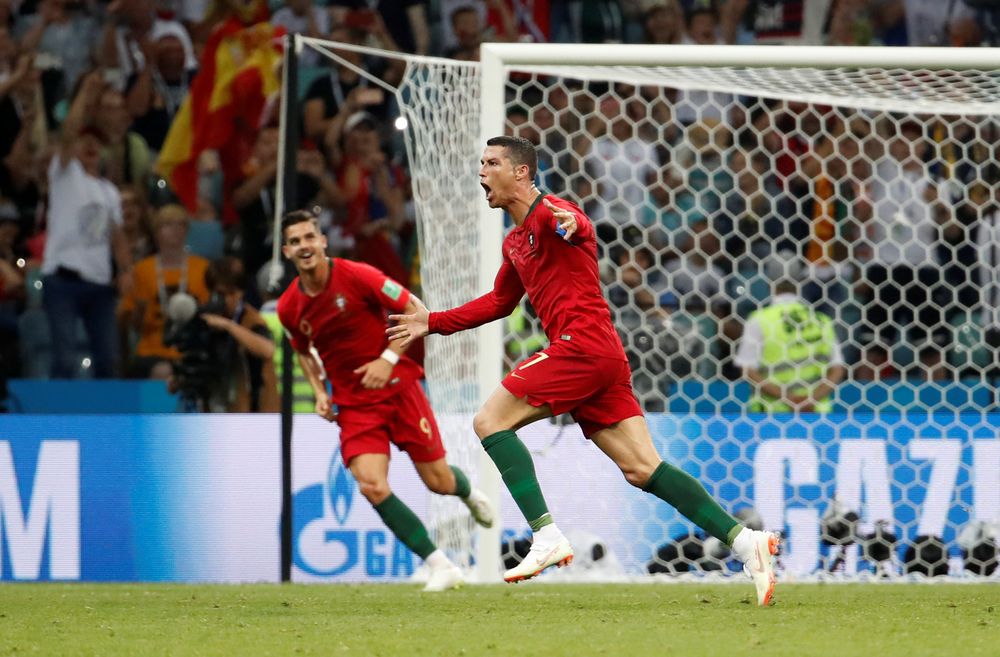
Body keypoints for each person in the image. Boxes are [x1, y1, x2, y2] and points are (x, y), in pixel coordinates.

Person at [387, 136, 780, 606]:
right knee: (642, 467)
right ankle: (744, 541)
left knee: (489, 421)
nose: (482, 172)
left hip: (582, 348)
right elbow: (498, 303)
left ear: (521, 173)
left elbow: (576, 224)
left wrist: (570, 222)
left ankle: (546, 535)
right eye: (481, 163)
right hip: (602, 356)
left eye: (491, 163)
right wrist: (431, 322)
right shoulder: (515, 242)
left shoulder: (551, 211)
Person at [277, 210, 495, 592]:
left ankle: (467, 492)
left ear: (323, 241)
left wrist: (388, 358)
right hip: (355, 406)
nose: (304, 246)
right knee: (372, 486)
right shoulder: (289, 308)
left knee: (439, 481)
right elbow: (303, 352)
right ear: (286, 251)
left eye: (309, 237)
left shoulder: (359, 275)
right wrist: (318, 392)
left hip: (398, 389)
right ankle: (439, 564)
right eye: (295, 241)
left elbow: (415, 310)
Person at [734, 278, 846, 413]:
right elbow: (837, 369)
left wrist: (789, 399)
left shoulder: (759, 319)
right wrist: (811, 400)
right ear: (800, 283)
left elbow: (747, 370)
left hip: (772, 415)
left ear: (770, 284)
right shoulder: (821, 319)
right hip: (816, 413)